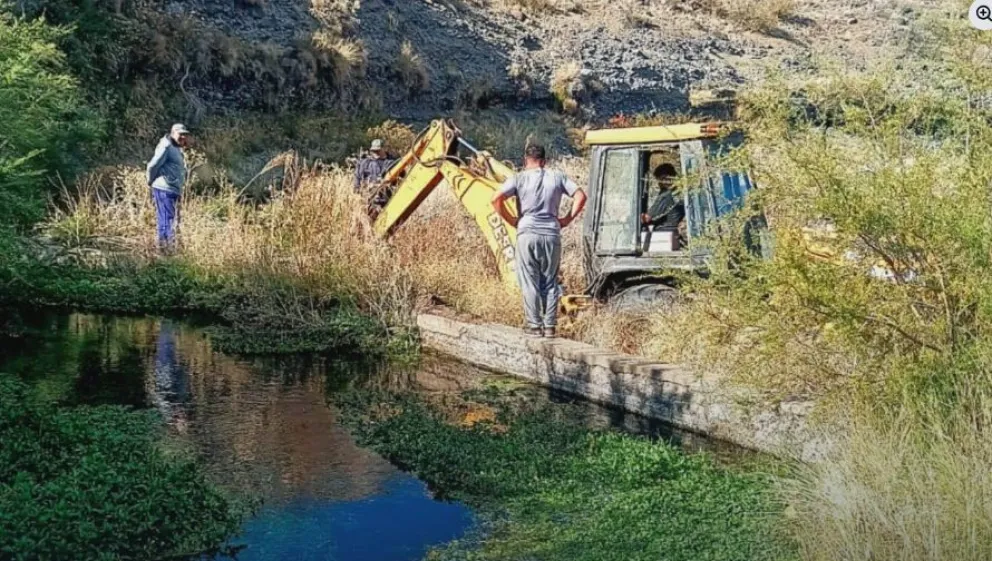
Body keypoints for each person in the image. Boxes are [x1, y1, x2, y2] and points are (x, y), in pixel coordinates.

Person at [491, 144, 587, 338]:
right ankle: (550, 327)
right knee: (550, 281)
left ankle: (535, 326)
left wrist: (513, 221)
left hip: (527, 231)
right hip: (552, 232)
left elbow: (496, 199)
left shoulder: (519, 178)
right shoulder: (557, 177)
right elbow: (580, 195)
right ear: (544, 161)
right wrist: (566, 219)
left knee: (529, 282)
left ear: (526, 160)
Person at [146, 123, 190, 251]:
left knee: (172, 219)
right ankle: (167, 250)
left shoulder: (176, 148)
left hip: (174, 189)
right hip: (164, 188)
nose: (183, 137)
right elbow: (152, 166)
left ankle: (166, 248)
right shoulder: (166, 146)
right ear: (173, 133)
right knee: (168, 220)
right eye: (180, 134)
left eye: (185, 135)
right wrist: (150, 181)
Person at [641, 162, 686, 231]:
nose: (660, 183)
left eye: (662, 179)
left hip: (666, 230)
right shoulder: (678, 192)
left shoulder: (666, 195)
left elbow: (646, 218)